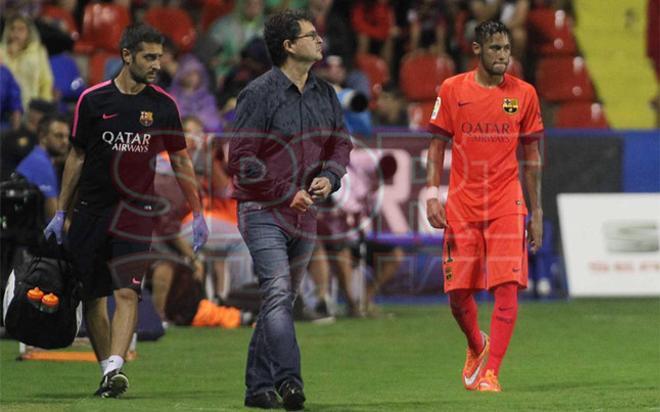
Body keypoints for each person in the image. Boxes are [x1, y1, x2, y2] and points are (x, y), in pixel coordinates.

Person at [43, 24, 208, 398]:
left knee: (129, 292)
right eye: (149, 57)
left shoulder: (163, 105)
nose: (157, 64)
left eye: (159, 57)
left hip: (136, 212)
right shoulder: (93, 100)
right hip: (91, 211)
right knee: (92, 296)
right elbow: (77, 156)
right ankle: (108, 374)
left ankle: (117, 366)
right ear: (127, 56)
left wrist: (197, 213)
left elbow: (181, 162)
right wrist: (61, 212)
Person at [228, 9, 352, 410]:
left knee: (277, 301)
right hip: (262, 209)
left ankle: (257, 388)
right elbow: (242, 160)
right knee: (280, 293)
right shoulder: (258, 94)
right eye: (311, 35)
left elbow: (340, 143)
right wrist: (285, 192)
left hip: (305, 212)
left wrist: (330, 177)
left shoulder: (324, 93)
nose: (320, 41)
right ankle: (290, 383)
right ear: (288, 46)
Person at [425, 20, 543, 393]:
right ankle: (477, 345)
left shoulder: (523, 94)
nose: (503, 56)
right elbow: (436, 145)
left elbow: (532, 155)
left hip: (508, 202)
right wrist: (431, 193)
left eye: (507, 49)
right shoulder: (452, 89)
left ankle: (492, 372)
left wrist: (535, 211)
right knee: (458, 295)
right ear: (476, 50)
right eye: (495, 49)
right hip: (462, 204)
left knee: (507, 285)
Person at [16, 114, 70, 220]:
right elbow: (54, 217)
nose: (65, 141)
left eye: (67, 136)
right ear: (42, 137)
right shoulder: (40, 164)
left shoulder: (39, 158)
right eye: (59, 136)